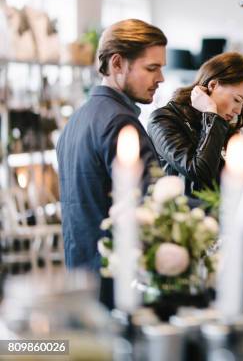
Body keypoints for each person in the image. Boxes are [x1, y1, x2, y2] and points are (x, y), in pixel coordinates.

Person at [57, 19, 166, 292]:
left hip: (82, 274)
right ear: (117, 63)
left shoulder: (78, 119)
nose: (160, 78)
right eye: (152, 68)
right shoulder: (120, 123)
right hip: (116, 279)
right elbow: (155, 204)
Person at [147, 52, 243, 195]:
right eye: (236, 100)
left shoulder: (221, 126)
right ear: (213, 85)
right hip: (185, 214)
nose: (239, 111)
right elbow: (200, 172)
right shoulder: (163, 120)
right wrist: (211, 112)